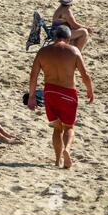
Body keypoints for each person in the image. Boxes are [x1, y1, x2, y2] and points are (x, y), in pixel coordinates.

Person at [28, 25, 94, 169]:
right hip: (68, 94)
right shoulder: (74, 51)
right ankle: (67, 150)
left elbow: (33, 76)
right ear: (69, 39)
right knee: (69, 127)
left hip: (50, 93)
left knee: (57, 128)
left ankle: (57, 160)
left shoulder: (43, 52)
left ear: (55, 36)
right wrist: (90, 90)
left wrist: (32, 96)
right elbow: (85, 75)